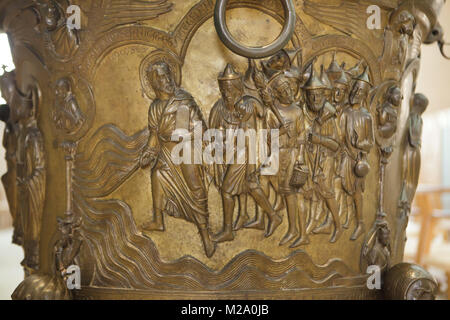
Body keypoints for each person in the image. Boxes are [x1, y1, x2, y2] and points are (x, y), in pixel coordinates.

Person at [139, 61, 215, 258]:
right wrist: (148, 152)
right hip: (166, 153)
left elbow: (201, 129)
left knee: (195, 187)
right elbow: (154, 137)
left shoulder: (184, 101)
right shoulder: (155, 107)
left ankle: (205, 233)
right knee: (156, 174)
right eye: (161, 78)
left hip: (186, 150)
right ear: (154, 84)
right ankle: (158, 220)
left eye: (167, 76)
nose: (167, 81)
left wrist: (182, 136)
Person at [209, 64, 282, 242]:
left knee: (227, 191)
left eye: (229, 88)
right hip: (229, 153)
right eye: (223, 88)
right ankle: (273, 216)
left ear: (236, 88)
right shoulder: (219, 107)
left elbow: (261, 115)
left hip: (244, 153)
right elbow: (213, 130)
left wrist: (263, 100)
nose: (226, 92)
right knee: (252, 186)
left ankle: (228, 231)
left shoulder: (246, 103)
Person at [263, 73, 309, 246]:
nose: (288, 92)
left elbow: (302, 134)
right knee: (269, 182)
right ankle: (277, 213)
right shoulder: (271, 112)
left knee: (291, 192)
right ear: (276, 94)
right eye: (283, 90)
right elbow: (266, 136)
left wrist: (301, 155)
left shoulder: (297, 111)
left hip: (291, 154)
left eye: (289, 88)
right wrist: (281, 131)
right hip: (277, 154)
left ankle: (293, 230)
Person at [300, 67, 342, 243]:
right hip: (311, 158)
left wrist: (318, 140)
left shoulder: (328, 118)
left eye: (318, 96)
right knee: (312, 192)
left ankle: (337, 225)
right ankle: (313, 221)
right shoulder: (306, 114)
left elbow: (336, 145)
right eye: (312, 96)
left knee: (326, 192)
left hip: (325, 160)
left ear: (324, 96)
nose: (315, 99)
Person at [339, 67, 375, 241]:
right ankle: (345, 217)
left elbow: (371, 141)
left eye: (360, 91)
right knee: (342, 185)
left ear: (365, 94)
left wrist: (360, 143)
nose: (356, 93)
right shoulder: (345, 113)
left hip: (358, 160)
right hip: (345, 156)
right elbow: (339, 135)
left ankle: (360, 222)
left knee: (356, 191)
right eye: (355, 89)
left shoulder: (366, 116)